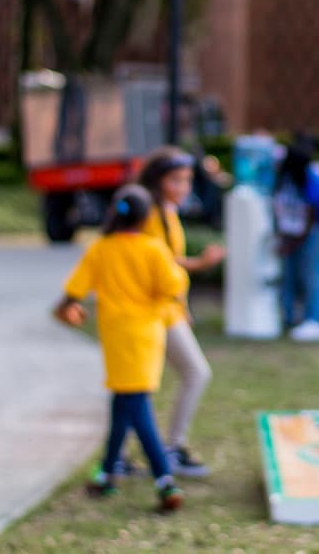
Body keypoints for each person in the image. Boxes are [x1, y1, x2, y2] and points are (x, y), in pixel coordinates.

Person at [54, 185, 188, 513]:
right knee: (136, 403)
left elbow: (73, 291)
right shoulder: (153, 248)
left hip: (115, 336)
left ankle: (107, 472)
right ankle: (164, 479)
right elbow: (174, 285)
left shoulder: (101, 248)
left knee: (123, 401)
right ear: (146, 218)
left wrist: (67, 309)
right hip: (146, 335)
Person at [137, 148, 226, 477]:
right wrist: (202, 263)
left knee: (184, 376)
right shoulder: (149, 215)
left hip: (169, 310)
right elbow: (161, 264)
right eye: (176, 180)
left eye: (187, 180)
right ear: (157, 181)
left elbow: (170, 265)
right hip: (153, 312)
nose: (184, 187)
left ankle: (169, 447)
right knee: (148, 384)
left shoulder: (168, 212)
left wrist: (183, 305)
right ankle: (163, 449)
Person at [273, 134, 319, 341]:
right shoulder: (292, 179)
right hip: (314, 226)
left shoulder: (312, 182)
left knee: (317, 272)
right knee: (302, 270)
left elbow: (309, 222)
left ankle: (316, 320)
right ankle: (292, 316)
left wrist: (291, 243)